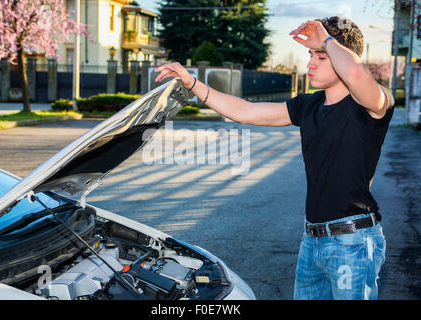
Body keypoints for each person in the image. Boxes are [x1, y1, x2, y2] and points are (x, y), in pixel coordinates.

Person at [154, 16, 394, 300]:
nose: (310, 64)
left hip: (352, 242)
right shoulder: (309, 105)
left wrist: (326, 40)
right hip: (312, 241)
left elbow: (354, 75)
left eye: (321, 57)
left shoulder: (373, 103)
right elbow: (246, 111)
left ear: (344, 55)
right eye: (311, 55)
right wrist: (192, 83)